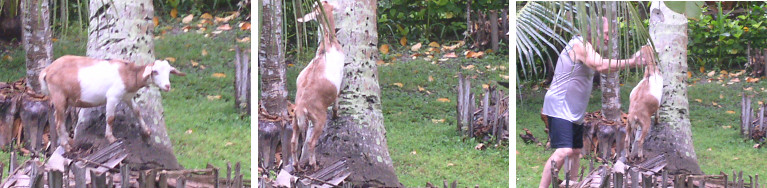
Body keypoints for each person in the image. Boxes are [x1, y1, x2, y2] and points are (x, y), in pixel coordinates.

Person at [538, 17, 655, 188]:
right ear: (593, 31)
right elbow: (599, 65)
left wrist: (632, 62)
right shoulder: (579, 44)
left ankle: (572, 185)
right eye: (606, 34)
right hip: (559, 106)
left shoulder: (588, 47)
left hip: (573, 110)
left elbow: (604, 65)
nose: (608, 38)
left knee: (576, 151)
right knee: (564, 151)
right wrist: (631, 62)